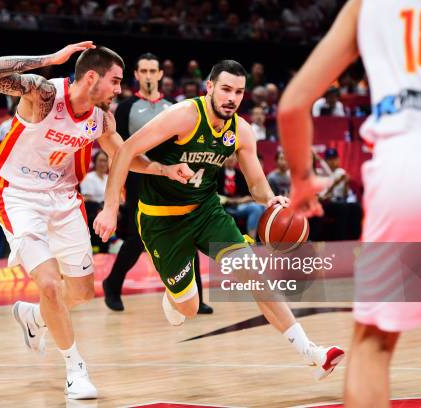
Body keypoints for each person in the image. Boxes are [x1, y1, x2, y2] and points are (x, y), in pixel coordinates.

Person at [94, 60, 344, 380]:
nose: (232, 98)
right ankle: (176, 298)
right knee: (189, 308)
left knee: (254, 274)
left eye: (239, 92)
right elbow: (126, 151)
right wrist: (110, 207)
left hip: (206, 212)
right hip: (162, 220)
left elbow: (254, 182)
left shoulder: (240, 130)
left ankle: (313, 353)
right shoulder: (184, 115)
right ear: (209, 87)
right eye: (225, 89)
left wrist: (271, 200)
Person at [0, 42, 192, 399]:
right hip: (17, 194)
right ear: (91, 76)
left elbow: (123, 155)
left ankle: (36, 318)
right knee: (49, 285)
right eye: (116, 81)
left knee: (79, 291)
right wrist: (50, 60)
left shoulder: (101, 118)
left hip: (63, 198)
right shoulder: (44, 94)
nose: (119, 89)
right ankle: (75, 368)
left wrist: (165, 170)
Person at [278, 0, 421, 405]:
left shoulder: (364, 5)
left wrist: (302, 180)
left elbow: (292, 105)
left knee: (372, 345)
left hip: (406, 167)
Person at [103, 52, 213, 313]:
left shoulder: (176, 106)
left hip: (171, 178)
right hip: (139, 179)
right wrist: (116, 188)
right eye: (144, 71)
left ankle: (197, 298)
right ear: (137, 75)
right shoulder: (126, 107)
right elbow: (118, 152)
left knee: (187, 233)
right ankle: (112, 283)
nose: (149, 76)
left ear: (161, 75)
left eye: (154, 71)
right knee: (137, 239)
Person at [218, 154, 265, 240]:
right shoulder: (217, 173)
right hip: (224, 207)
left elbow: (248, 195)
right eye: (229, 155)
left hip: (239, 207)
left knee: (263, 207)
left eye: (234, 156)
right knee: (255, 208)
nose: (231, 158)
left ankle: (261, 240)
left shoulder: (240, 174)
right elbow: (217, 196)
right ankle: (252, 240)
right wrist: (237, 201)